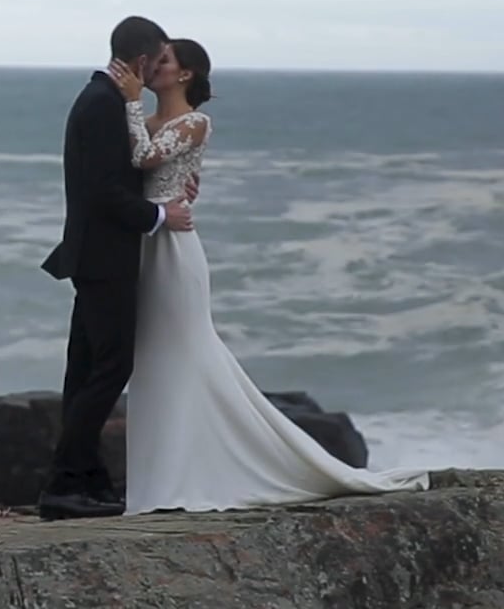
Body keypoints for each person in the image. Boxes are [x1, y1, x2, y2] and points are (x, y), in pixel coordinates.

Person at [111, 38, 430, 513]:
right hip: (145, 244)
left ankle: (206, 469)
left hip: (175, 250)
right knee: (153, 357)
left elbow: (145, 159)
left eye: (164, 61)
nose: (151, 67)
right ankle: (162, 475)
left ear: (186, 74)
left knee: (187, 349)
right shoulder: (149, 121)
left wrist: (132, 102)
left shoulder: (194, 123)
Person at [37, 15, 195, 521]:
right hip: (106, 257)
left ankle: (87, 478)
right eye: (158, 61)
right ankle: (64, 483)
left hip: (94, 254)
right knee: (111, 367)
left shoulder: (101, 99)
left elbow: (130, 170)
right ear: (143, 60)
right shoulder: (104, 104)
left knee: (84, 371)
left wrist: (172, 188)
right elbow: (105, 190)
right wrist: (159, 215)